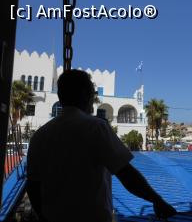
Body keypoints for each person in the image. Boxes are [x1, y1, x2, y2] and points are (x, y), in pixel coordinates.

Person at [26, 69, 177, 222]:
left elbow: (32, 185)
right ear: (86, 94)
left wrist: (43, 217)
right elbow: (126, 174)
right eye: (93, 93)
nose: (94, 99)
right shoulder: (96, 127)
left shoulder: (39, 136)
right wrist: (157, 200)